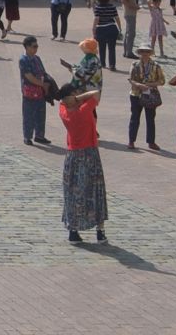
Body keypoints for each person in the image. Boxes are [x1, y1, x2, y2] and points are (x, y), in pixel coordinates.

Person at [56, 87, 108, 244]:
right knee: (95, 191)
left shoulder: (64, 111)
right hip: (90, 154)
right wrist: (79, 98)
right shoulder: (84, 110)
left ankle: (73, 230)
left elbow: (61, 101)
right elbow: (96, 92)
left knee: (72, 193)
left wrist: (72, 99)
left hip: (72, 156)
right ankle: (100, 232)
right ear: (73, 96)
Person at [126, 47, 166, 151]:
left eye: (147, 51)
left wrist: (149, 85)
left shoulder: (156, 66)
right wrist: (139, 85)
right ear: (139, 53)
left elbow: (162, 81)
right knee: (134, 118)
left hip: (150, 95)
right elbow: (130, 79)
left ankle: (151, 142)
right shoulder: (135, 64)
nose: (144, 53)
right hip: (136, 94)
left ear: (150, 53)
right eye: (142, 51)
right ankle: (131, 140)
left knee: (150, 119)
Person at [17, 36, 50, 145]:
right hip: (29, 92)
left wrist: (48, 82)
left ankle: (40, 136)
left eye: (37, 46)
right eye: (34, 46)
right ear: (27, 47)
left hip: (40, 92)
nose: (36, 49)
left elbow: (43, 72)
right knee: (28, 115)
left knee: (40, 114)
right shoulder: (23, 60)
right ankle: (27, 137)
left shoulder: (37, 58)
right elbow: (29, 76)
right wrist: (42, 84)